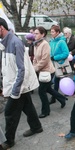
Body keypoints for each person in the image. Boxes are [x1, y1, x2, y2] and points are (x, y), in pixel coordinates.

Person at [0, 17, 43, 150]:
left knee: (9, 113)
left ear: (1, 28)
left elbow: (21, 69)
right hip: (16, 85)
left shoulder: (15, 43)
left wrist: (14, 91)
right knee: (28, 107)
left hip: (18, 86)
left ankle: (9, 140)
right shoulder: (5, 43)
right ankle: (36, 127)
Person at [33, 26, 67, 118]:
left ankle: (46, 111)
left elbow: (44, 59)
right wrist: (33, 66)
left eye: (36, 33)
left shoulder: (45, 44)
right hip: (41, 71)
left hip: (48, 71)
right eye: (34, 33)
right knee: (48, 89)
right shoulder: (36, 44)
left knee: (41, 91)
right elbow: (35, 58)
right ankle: (62, 99)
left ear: (42, 34)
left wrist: (35, 68)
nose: (34, 35)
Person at [49, 25, 69, 104]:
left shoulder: (62, 41)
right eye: (51, 32)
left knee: (59, 81)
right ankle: (57, 98)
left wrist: (55, 57)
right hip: (52, 64)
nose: (51, 33)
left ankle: (60, 96)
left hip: (60, 65)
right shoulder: (51, 41)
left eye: (53, 32)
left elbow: (66, 53)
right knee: (55, 82)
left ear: (57, 32)